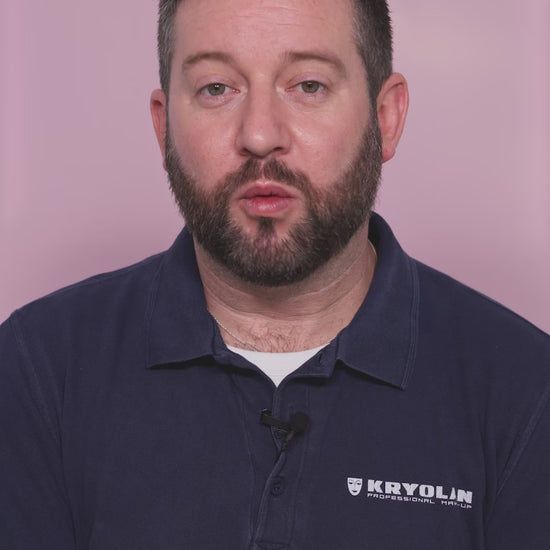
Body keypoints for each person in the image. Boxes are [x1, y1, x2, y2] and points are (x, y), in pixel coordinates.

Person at [1, 0, 549, 548]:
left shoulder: (527, 389)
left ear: (385, 117)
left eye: (308, 85)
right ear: (164, 126)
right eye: (217, 88)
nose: (260, 135)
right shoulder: (37, 369)